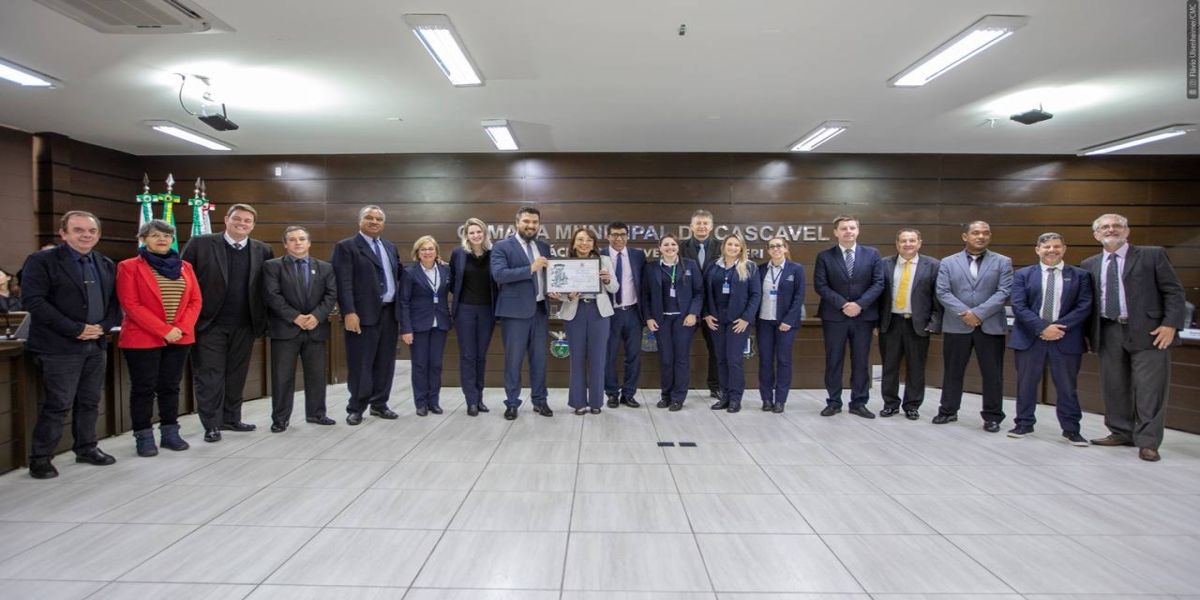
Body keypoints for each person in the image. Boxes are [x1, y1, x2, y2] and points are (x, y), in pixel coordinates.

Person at [20, 211, 121, 479]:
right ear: (63, 233)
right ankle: (41, 458)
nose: (86, 235)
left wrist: (103, 327)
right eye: (78, 230)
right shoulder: (42, 261)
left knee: (90, 401)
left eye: (91, 231)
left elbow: (114, 303)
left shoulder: (104, 263)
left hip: (96, 343)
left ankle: (86, 447)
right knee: (59, 403)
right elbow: (34, 301)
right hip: (58, 346)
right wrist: (75, 329)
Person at [1083, 214, 1186, 461]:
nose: (1111, 230)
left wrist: (1170, 324)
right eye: (1104, 227)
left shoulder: (1152, 255)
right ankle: (1121, 432)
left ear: (1127, 231)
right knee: (1114, 386)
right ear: (1096, 234)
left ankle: (1148, 442)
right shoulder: (1089, 264)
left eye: (1117, 226)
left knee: (1150, 389)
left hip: (1150, 332)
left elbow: (1173, 291)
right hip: (1108, 331)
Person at [182, 203, 274, 443]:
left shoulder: (263, 250)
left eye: (247, 221)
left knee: (236, 374)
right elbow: (183, 282)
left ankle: (231, 418)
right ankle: (212, 424)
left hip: (245, 324)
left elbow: (266, 288)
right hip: (208, 324)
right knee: (209, 376)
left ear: (253, 225)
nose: (242, 223)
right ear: (226, 219)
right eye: (237, 218)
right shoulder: (200, 244)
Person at [116, 220, 203, 456]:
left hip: (179, 337)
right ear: (143, 239)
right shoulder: (129, 266)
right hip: (143, 338)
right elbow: (131, 304)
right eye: (155, 235)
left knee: (170, 387)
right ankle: (143, 436)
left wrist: (181, 328)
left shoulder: (185, 267)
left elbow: (195, 301)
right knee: (143, 388)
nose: (162, 239)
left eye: (166, 235)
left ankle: (170, 432)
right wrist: (164, 330)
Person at [1007, 233, 1093, 445]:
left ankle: (1071, 429)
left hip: (1066, 338)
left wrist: (1057, 328)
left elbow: (1084, 306)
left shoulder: (1080, 275)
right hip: (1030, 338)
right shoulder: (1023, 274)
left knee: (1067, 387)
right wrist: (1043, 328)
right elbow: (1018, 305)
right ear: (1038, 250)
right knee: (1026, 384)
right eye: (1046, 247)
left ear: (1064, 249)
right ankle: (1023, 423)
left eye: (1056, 246)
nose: (1051, 250)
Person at [933, 220, 1013, 432]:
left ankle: (992, 416)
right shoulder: (948, 262)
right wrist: (966, 313)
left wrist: (978, 314)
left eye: (985, 233)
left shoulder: (1003, 262)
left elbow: (1004, 292)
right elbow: (942, 292)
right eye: (976, 233)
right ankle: (948, 410)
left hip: (990, 325)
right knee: (953, 371)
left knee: (992, 374)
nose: (981, 236)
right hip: (957, 325)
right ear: (965, 236)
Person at [262, 226, 338, 432]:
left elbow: (331, 295)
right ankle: (280, 419)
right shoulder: (272, 266)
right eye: (293, 239)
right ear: (285, 244)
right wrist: (295, 317)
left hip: (315, 329)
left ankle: (316, 414)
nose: (298, 243)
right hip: (285, 330)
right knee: (282, 377)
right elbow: (272, 295)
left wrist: (316, 316)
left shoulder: (325, 268)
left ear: (309, 243)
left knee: (316, 376)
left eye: (302, 239)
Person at [332, 205, 403, 426]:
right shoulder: (346, 247)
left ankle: (379, 404)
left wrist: (433, 263)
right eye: (369, 218)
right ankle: (356, 407)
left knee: (385, 363)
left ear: (384, 223)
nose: (374, 222)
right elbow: (343, 283)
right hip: (362, 316)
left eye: (379, 219)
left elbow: (400, 273)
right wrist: (349, 312)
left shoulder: (390, 246)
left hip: (389, 314)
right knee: (361, 364)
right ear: (360, 221)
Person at [813, 215, 885, 418]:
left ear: (858, 231)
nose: (848, 231)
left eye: (852, 228)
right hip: (835, 317)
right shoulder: (825, 256)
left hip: (863, 317)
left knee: (861, 361)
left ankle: (859, 403)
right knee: (834, 360)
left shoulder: (872, 254)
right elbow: (820, 285)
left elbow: (878, 283)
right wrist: (844, 305)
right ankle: (834, 402)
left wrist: (859, 305)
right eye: (844, 228)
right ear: (836, 232)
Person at [491, 206, 554, 420]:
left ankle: (540, 401)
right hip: (514, 314)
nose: (531, 225)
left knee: (539, 360)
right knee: (513, 360)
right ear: (517, 223)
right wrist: (530, 268)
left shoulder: (543, 246)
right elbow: (499, 275)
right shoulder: (502, 247)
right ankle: (512, 403)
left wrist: (554, 288)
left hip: (540, 311)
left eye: (535, 222)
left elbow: (549, 276)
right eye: (526, 221)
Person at [877, 228, 942, 420]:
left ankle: (912, 405)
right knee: (889, 366)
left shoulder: (932, 265)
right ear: (897, 244)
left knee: (916, 367)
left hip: (918, 324)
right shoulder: (884, 264)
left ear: (919, 243)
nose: (907, 244)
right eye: (903, 241)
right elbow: (877, 295)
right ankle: (890, 404)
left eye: (912, 240)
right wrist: (875, 323)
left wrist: (934, 323)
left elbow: (938, 297)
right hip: (891, 323)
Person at [556, 229, 618, 415]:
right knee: (577, 359)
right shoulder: (565, 262)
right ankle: (578, 402)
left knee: (598, 358)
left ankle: (596, 402)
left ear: (594, 244)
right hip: (575, 312)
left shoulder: (604, 260)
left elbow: (615, 287)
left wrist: (607, 280)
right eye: (580, 239)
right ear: (574, 243)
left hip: (599, 312)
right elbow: (559, 291)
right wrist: (568, 296)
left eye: (589, 240)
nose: (584, 243)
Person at [642, 234, 703, 411]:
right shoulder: (651, 268)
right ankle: (666, 395)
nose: (670, 247)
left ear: (678, 247)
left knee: (681, 359)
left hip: (684, 320)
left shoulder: (690, 265)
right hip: (661, 320)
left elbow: (699, 292)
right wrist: (649, 317)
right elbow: (645, 295)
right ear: (660, 248)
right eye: (666, 245)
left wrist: (693, 313)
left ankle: (678, 397)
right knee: (666, 359)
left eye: (673, 244)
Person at [702, 233, 761, 413]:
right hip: (717, 320)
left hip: (738, 321)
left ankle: (735, 398)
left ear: (741, 248)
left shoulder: (749, 267)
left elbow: (756, 295)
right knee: (720, 359)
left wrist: (746, 319)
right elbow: (704, 292)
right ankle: (725, 397)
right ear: (723, 247)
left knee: (734, 360)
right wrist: (706, 314)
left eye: (737, 245)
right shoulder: (713, 266)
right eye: (730, 244)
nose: (733, 248)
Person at [400, 236, 452, 417]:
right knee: (420, 365)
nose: (427, 252)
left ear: (436, 252)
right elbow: (404, 302)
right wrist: (406, 329)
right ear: (417, 253)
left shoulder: (446, 270)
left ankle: (434, 402)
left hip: (440, 324)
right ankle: (421, 403)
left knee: (436, 365)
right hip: (418, 325)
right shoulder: (409, 272)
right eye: (423, 249)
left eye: (431, 249)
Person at [450, 218, 497, 417]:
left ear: (485, 234)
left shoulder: (494, 253)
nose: (476, 235)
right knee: (468, 356)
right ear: (466, 236)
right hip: (465, 311)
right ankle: (471, 400)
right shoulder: (458, 254)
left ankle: (479, 398)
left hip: (487, 311)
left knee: (481, 356)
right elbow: (452, 281)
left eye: (479, 232)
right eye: (472, 233)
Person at [756, 235, 806, 413]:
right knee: (765, 361)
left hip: (786, 324)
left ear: (785, 248)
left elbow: (799, 297)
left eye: (779, 245)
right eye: (772, 246)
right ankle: (766, 399)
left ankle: (780, 400)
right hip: (764, 321)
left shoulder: (796, 269)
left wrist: (788, 320)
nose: (776, 249)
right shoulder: (760, 269)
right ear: (768, 250)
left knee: (784, 361)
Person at [602, 221, 645, 408]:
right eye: (614, 235)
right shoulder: (600, 256)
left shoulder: (638, 255)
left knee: (633, 356)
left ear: (628, 236)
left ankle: (629, 394)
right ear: (608, 236)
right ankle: (612, 393)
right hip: (609, 313)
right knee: (608, 356)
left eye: (622, 235)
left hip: (633, 312)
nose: (618, 238)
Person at [681, 209, 721, 399]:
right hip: (688, 309)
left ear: (711, 226)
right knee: (681, 350)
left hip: (714, 309)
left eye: (705, 223)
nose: (702, 226)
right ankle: (680, 388)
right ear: (691, 226)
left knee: (716, 350)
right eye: (698, 223)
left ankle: (716, 386)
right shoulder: (681, 247)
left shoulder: (722, 248)